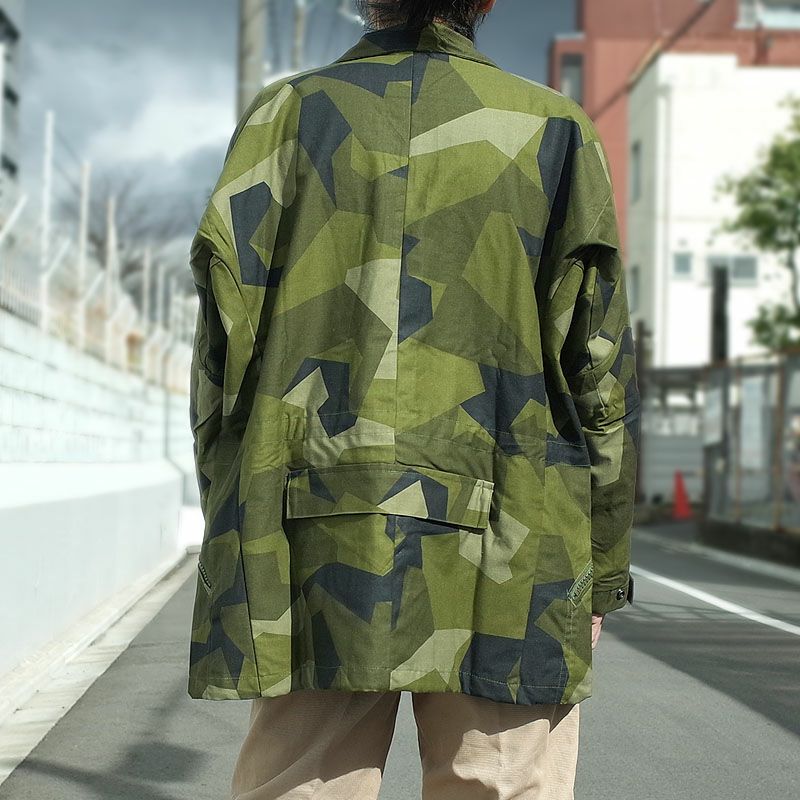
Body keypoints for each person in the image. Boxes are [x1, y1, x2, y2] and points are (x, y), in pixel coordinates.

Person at [187, 0, 640, 797]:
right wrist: (601, 570)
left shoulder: (284, 118)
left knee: (304, 786)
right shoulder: (555, 132)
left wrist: (238, 531)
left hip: (308, 535)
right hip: (511, 547)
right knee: (497, 783)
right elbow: (597, 377)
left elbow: (221, 368)